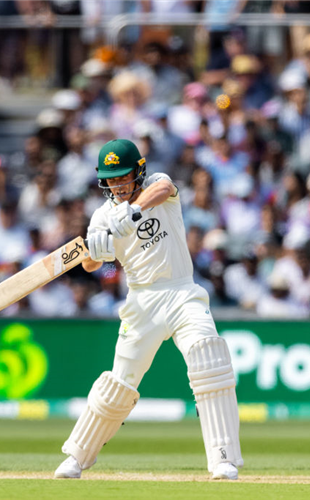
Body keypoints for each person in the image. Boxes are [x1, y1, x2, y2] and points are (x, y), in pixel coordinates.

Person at [54, 139, 242, 480]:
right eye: (110, 179)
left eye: (123, 177)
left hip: (182, 291)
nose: (117, 185)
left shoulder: (158, 184)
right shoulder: (101, 215)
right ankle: (76, 458)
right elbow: (92, 265)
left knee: (209, 357)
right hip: (141, 303)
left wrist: (131, 212)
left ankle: (223, 459)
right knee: (120, 384)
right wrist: (95, 250)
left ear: (138, 172)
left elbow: (164, 188)